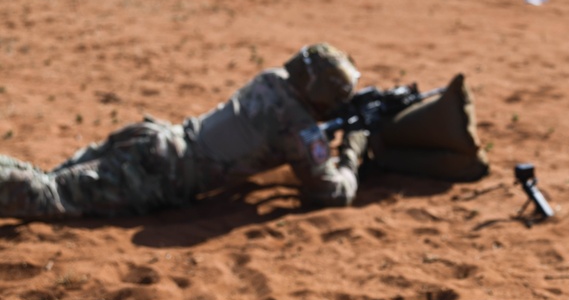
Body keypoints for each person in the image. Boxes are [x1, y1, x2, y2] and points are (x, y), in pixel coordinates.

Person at [0, 44, 370, 219]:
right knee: (50, 198)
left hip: (152, 138)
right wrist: (351, 154)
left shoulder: (272, 80)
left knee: (49, 180)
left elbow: (266, 131)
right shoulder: (300, 129)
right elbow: (331, 193)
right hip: (158, 172)